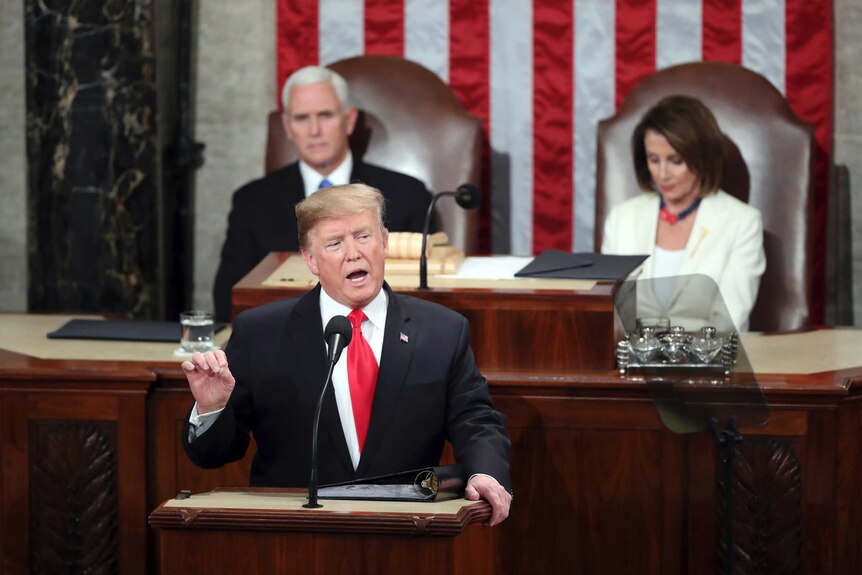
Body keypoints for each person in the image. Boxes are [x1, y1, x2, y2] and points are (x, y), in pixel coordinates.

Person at [183, 183, 512, 526]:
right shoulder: (261, 333)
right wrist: (212, 408)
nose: (353, 253)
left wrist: (484, 473)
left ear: (384, 243)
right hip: (294, 536)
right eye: (335, 243)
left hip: (405, 533)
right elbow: (214, 455)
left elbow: (476, 420)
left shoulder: (442, 331)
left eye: (363, 236)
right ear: (310, 259)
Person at [212, 66, 432, 322]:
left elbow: (420, 300)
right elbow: (228, 300)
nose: (314, 130)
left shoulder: (406, 195)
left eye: (325, 115)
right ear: (287, 126)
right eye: (302, 118)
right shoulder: (251, 202)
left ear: (349, 120)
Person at [601, 95, 765, 332]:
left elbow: (729, 321)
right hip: (632, 362)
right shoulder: (622, 218)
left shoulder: (742, 222)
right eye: (653, 160)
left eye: (675, 160)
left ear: (702, 158)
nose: (663, 173)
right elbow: (611, 312)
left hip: (707, 363)